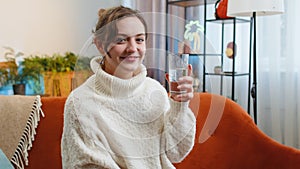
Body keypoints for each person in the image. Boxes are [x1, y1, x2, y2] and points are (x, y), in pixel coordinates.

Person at [61, 6, 196, 169]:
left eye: (139, 39)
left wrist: (179, 104)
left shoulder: (155, 90)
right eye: (121, 40)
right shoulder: (80, 103)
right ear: (100, 45)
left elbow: (175, 153)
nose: (133, 48)